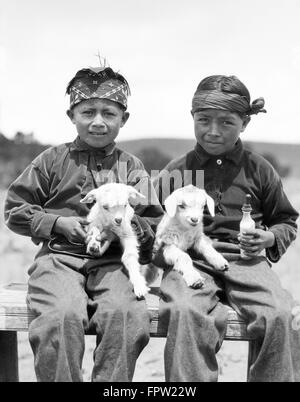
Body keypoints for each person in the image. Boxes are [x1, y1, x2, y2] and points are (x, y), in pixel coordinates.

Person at [4, 65, 163, 382]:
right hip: (58, 260)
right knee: (59, 316)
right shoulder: (51, 160)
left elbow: (153, 224)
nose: (98, 121)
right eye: (88, 111)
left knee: (126, 315)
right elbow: (14, 209)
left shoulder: (132, 168)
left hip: (114, 263)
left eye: (109, 113)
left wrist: (127, 226)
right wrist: (57, 224)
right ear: (71, 115)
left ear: (124, 119)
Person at [153, 75, 300, 382]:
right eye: (204, 120)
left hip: (247, 262)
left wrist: (269, 237)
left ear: (244, 123)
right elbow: (152, 224)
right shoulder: (175, 172)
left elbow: (285, 220)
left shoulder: (259, 169)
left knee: (280, 314)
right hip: (190, 262)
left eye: (226, 123)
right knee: (184, 310)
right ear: (192, 117)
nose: (213, 131)